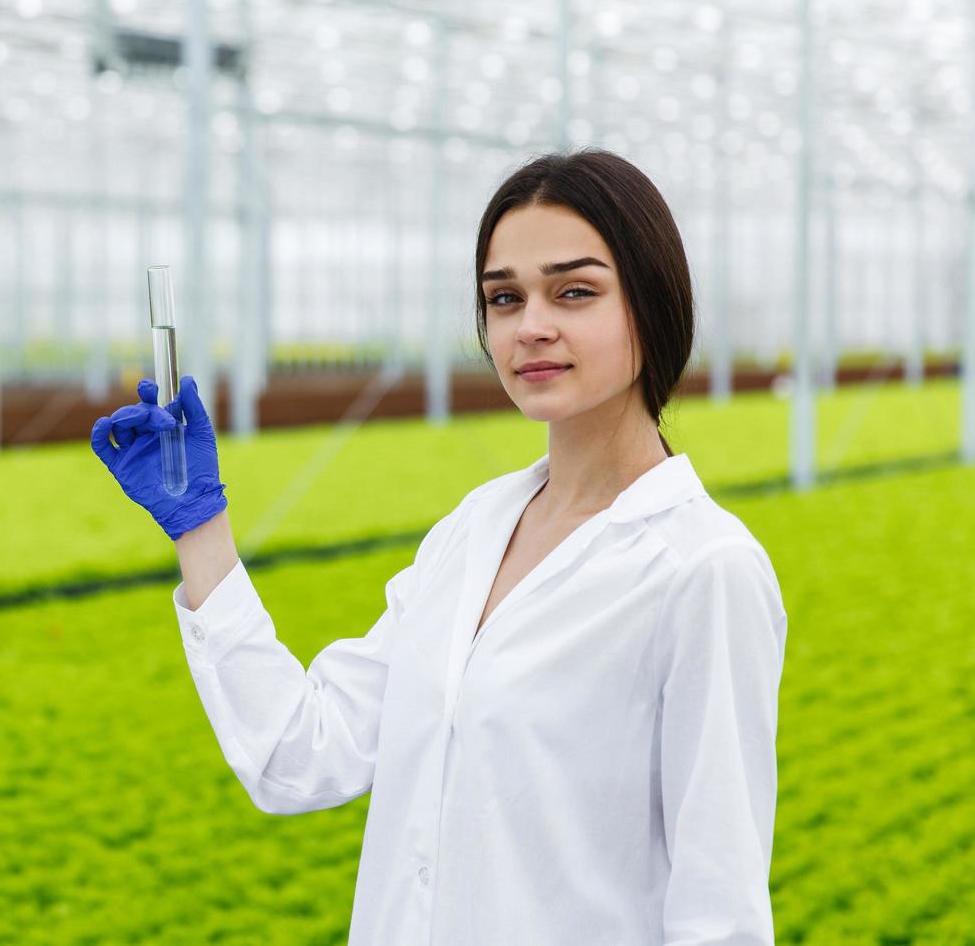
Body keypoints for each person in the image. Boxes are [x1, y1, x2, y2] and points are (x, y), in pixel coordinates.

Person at [90, 149, 788, 944]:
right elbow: (300, 753)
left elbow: (720, 913)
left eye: (575, 291)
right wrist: (199, 531)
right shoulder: (476, 529)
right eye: (504, 297)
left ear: (652, 305)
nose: (532, 325)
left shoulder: (702, 569)